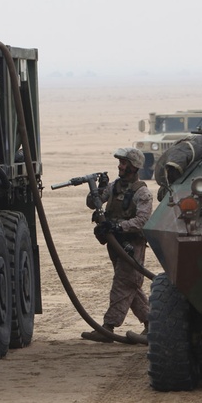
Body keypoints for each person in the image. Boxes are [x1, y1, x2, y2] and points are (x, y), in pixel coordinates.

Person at [81, 147, 153, 344]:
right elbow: (92, 202)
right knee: (131, 285)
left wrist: (116, 226)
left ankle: (108, 327)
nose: (119, 166)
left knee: (122, 284)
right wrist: (98, 188)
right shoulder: (114, 187)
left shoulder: (142, 193)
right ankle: (152, 325)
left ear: (133, 167)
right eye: (120, 162)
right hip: (115, 245)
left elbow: (142, 222)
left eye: (123, 163)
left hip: (132, 245)